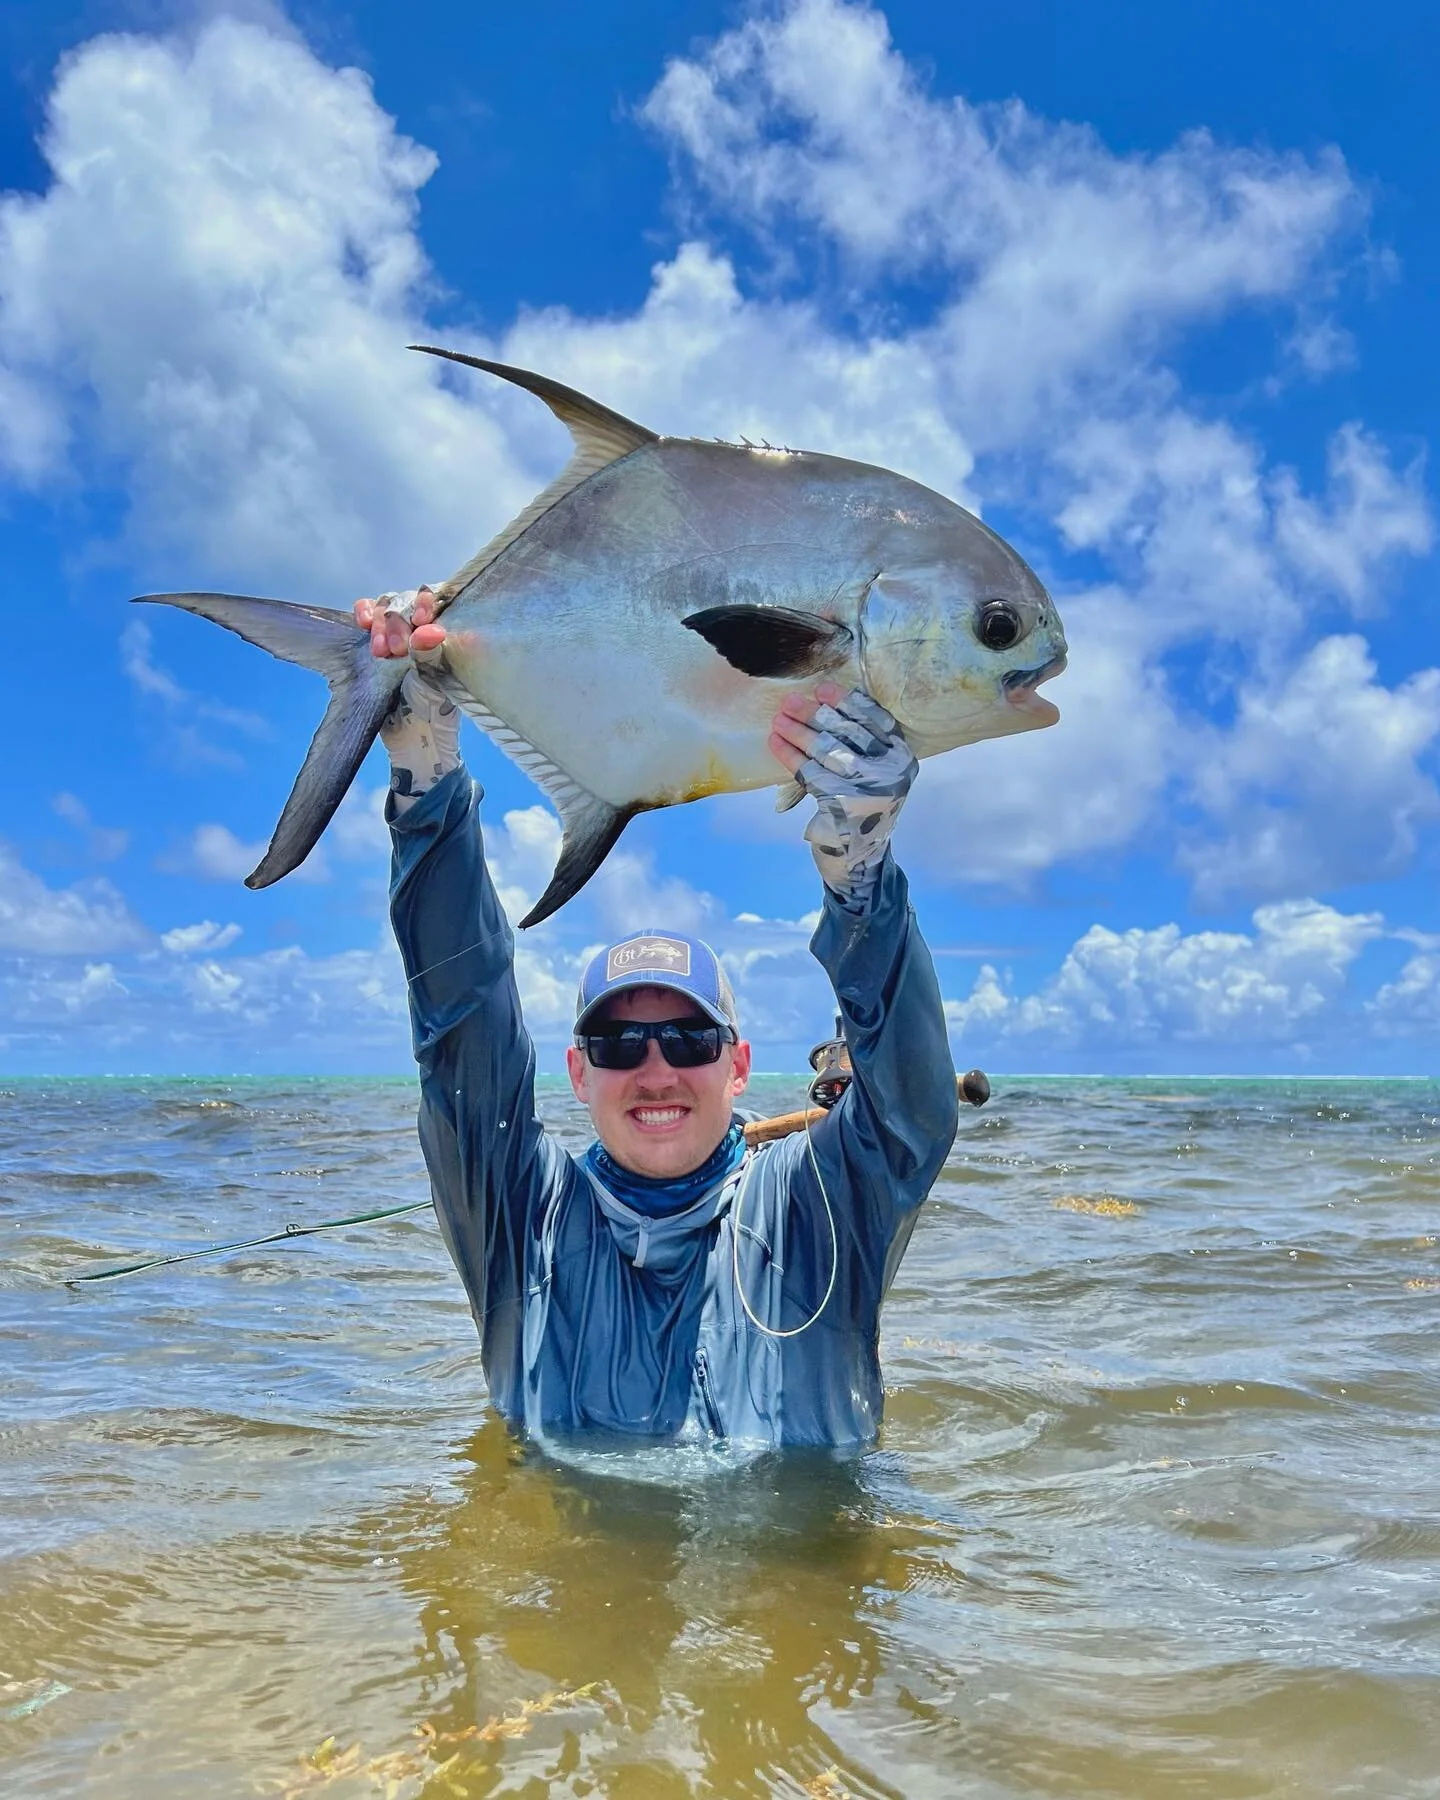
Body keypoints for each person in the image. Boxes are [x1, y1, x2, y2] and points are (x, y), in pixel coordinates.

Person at [358, 586, 959, 1449]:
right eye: (614, 1042)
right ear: (577, 1072)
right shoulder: (517, 1211)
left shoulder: (823, 1203)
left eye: (687, 1038)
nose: (655, 1068)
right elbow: (461, 1021)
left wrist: (860, 869)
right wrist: (426, 779)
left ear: (738, 1064)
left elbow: (912, 1106)